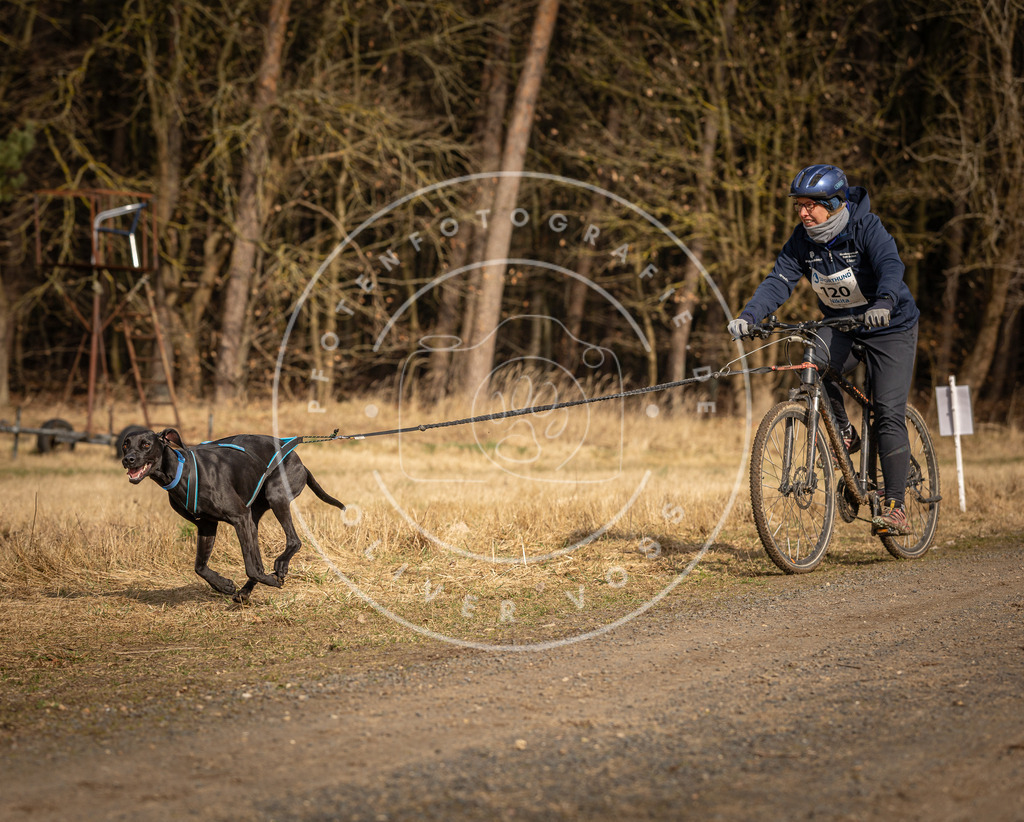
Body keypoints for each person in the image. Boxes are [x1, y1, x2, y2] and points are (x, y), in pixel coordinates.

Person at [727, 163, 920, 535]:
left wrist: (883, 302)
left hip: (889, 326)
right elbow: (778, 280)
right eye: (798, 205)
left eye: (811, 205)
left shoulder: (866, 228)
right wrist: (750, 315)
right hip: (842, 326)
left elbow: (891, 268)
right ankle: (844, 431)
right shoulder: (802, 240)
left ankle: (895, 506)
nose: (802, 212)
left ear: (834, 203)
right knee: (811, 362)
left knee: (887, 413)